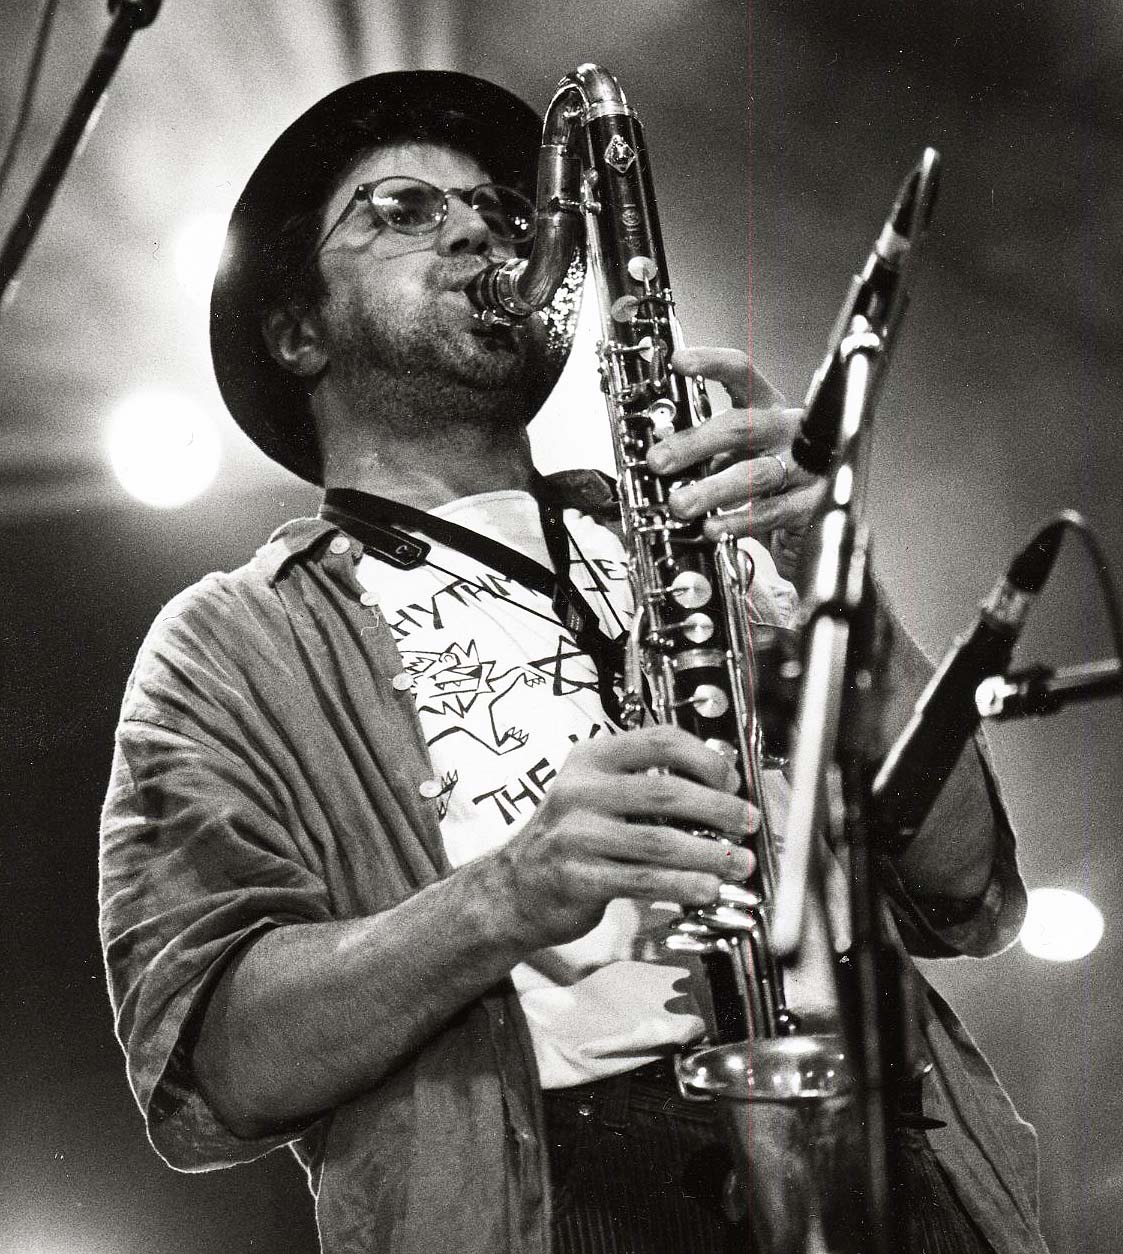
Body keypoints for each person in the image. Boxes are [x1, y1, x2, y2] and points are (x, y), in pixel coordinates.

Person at [99, 71, 1049, 1254]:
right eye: (402, 209)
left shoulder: (710, 528)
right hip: (573, 1195)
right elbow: (210, 1071)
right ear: (297, 332)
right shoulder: (230, 641)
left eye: (502, 211)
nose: (477, 231)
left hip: (894, 1152)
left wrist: (831, 563)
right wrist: (503, 897)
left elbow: (968, 889)